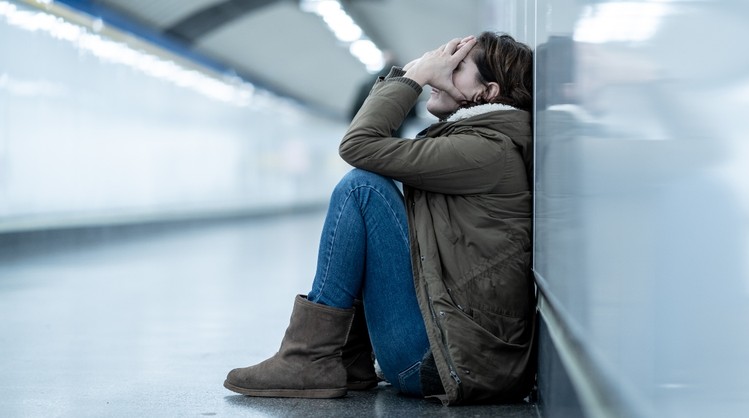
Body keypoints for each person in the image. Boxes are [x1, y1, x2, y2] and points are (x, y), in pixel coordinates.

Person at [223, 31, 535, 405]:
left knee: (362, 188)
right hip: (458, 348)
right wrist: (413, 75)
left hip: (445, 360)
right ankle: (343, 359)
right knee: (372, 194)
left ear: (487, 92)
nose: (440, 67)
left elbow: (358, 145)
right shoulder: (483, 141)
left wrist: (414, 76)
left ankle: (310, 358)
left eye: (456, 65)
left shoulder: (486, 150)